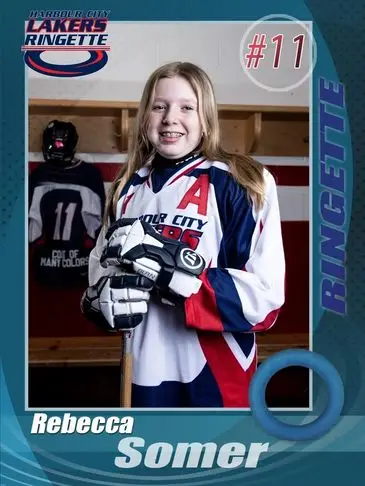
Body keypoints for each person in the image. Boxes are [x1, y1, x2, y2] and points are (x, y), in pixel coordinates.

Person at [81, 61, 286, 408]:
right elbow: (100, 271)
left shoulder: (243, 181)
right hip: (142, 368)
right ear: (145, 117)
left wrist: (177, 276)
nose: (170, 118)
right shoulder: (125, 189)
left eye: (186, 107)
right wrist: (101, 300)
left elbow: (265, 300)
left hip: (216, 374)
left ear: (206, 118)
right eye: (159, 106)